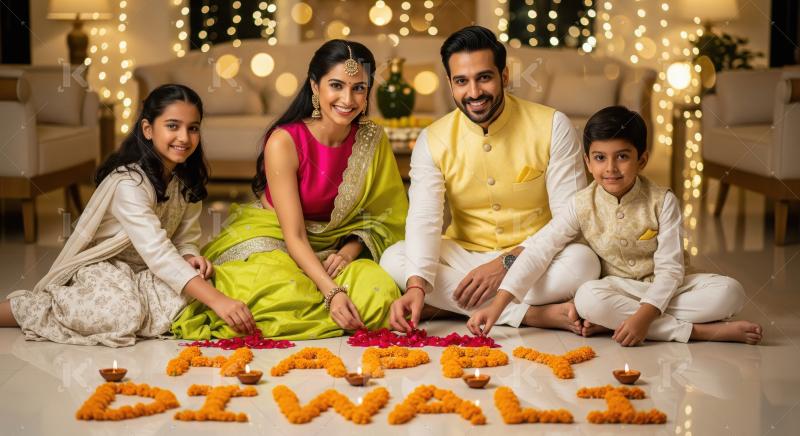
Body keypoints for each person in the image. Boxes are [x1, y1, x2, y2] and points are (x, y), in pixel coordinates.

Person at [171, 40, 408, 341]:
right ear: (314, 85)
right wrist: (333, 293)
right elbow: (294, 236)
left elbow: (384, 217)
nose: (348, 99)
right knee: (276, 292)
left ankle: (327, 306)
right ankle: (327, 307)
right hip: (277, 241)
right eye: (336, 85)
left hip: (335, 247)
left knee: (379, 291)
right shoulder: (285, 141)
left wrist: (349, 253)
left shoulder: (372, 139)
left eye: (359, 88)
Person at [468, 106, 763, 346]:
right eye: (600, 158)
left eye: (622, 157)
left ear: (642, 159)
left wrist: (643, 317)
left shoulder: (664, 201)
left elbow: (671, 270)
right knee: (587, 298)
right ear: (587, 162)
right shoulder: (581, 204)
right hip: (617, 289)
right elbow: (539, 250)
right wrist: (499, 306)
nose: (610, 168)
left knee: (730, 292)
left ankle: (616, 322)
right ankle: (701, 332)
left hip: (670, 287)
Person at [380, 26, 600, 334]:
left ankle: (452, 305)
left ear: (504, 76)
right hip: (465, 256)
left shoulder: (553, 125)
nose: (473, 93)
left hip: (534, 256)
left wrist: (505, 265)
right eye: (461, 81)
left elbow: (569, 221)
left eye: (484, 77)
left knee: (583, 263)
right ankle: (532, 315)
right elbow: (424, 220)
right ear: (450, 84)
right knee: (394, 258)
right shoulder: (432, 139)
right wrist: (417, 287)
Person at [0, 84, 256, 347]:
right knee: (123, 314)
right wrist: (217, 300)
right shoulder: (129, 183)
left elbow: (184, 239)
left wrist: (190, 257)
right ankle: (33, 307)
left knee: (194, 294)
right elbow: (158, 252)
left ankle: (142, 303)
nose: (184, 137)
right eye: (172, 126)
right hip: (104, 268)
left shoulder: (185, 181)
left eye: (193, 128)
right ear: (148, 130)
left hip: (146, 271)